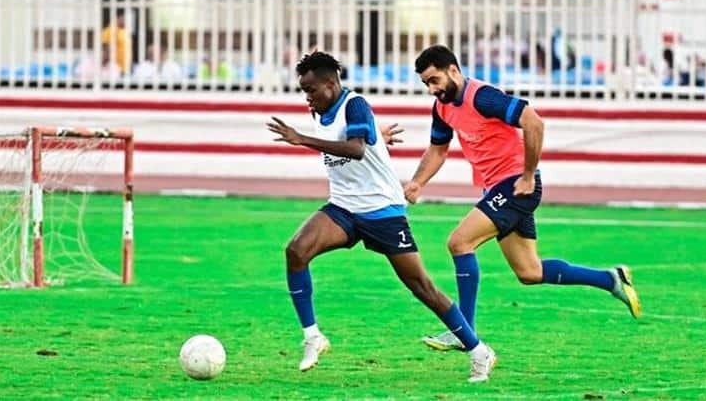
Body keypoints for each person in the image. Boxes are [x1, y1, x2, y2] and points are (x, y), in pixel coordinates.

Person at [267, 51, 497, 383]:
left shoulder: (355, 105)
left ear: (330, 84)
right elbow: (359, 140)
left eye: (311, 90)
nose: (307, 98)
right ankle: (313, 336)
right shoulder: (321, 109)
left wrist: (302, 139)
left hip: (382, 210)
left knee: (421, 286)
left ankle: (478, 351)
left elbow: (356, 148)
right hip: (344, 207)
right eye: (303, 91)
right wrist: (377, 136)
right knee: (296, 251)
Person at [404, 45, 641, 352]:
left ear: (453, 71)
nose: (431, 89)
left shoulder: (483, 97)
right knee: (530, 272)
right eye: (426, 84)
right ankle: (611, 279)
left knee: (459, 242)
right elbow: (438, 149)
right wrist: (417, 183)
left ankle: (464, 331)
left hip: (516, 186)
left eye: (434, 80)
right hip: (499, 189)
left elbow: (534, 122)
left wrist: (528, 174)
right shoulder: (442, 108)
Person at [101, 8, 131, 74]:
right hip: (115, 69)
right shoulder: (108, 31)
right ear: (118, 18)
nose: (126, 21)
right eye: (124, 18)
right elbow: (105, 49)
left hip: (126, 68)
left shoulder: (124, 31)